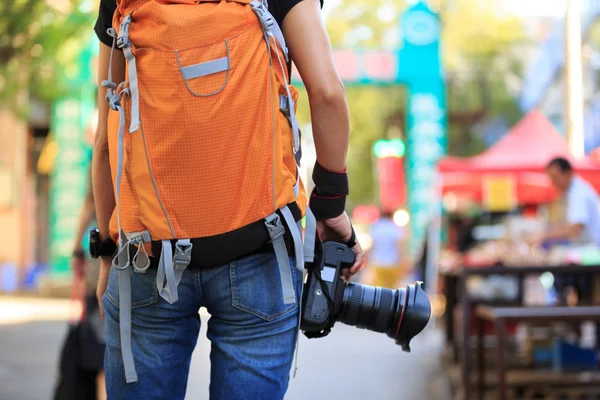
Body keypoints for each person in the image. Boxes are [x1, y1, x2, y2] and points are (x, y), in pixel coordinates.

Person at [92, 1, 364, 399]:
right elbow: (327, 94)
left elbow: (106, 140)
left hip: (144, 255)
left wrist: (106, 253)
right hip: (260, 247)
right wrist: (331, 208)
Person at [53, 183, 106, 400]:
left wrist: (77, 249)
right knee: (107, 349)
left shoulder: (105, 153)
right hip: (125, 269)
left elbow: (89, 206)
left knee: (100, 347)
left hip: (100, 272)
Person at [537, 157, 600, 305]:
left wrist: (545, 236)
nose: (554, 182)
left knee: (563, 281)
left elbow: (575, 228)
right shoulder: (572, 192)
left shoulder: (579, 193)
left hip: (591, 255)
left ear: (568, 173)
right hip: (587, 254)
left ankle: (566, 317)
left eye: (556, 177)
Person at [367, 210, 407, 288]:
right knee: (391, 289)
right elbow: (399, 247)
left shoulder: (376, 227)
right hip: (392, 263)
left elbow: (372, 245)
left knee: (378, 289)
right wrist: (403, 261)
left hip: (378, 263)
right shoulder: (395, 228)